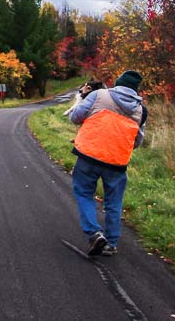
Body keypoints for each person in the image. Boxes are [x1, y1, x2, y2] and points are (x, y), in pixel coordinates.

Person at [69, 70, 146, 256]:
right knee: (114, 202)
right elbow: (137, 141)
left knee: (84, 193)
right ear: (135, 90)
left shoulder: (99, 95)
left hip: (89, 155)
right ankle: (111, 243)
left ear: (117, 83)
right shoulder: (141, 111)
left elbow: (75, 117)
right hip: (117, 162)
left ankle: (94, 233)